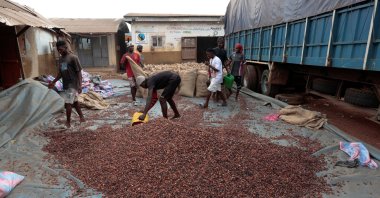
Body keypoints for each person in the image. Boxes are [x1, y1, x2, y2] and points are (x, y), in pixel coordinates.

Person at [49, 40, 85, 128]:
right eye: (58, 50)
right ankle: (82, 117)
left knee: (68, 103)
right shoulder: (61, 59)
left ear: (65, 47)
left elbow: (79, 72)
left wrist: (80, 85)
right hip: (66, 84)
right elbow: (61, 73)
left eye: (61, 49)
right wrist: (53, 82)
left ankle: (68, 122)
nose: (60, 51)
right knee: (75, 102)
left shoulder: (73, 58)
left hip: (73, 84)